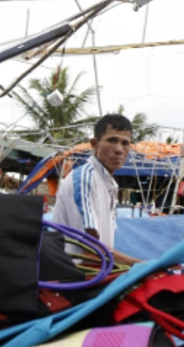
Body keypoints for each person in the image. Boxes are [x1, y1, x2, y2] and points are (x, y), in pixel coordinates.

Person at [54, 113, 141, 266]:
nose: (119, 149)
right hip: (76, 278)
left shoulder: (110, 184)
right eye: (112, 140)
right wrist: (141, 265)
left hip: (95, 273)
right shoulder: (84, 179)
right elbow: (91, 250)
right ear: (95, 144)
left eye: (125, 143)